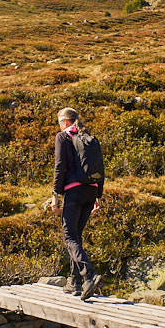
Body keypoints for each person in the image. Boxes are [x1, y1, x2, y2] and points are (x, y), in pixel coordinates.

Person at [50, 107, 105, 300]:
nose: (59, 126)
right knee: (76, 236)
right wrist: (98, 194)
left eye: (59, 123)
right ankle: (75, 282)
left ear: (65, 121)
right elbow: (101, 167)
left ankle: (89, 275)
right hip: (91, 191)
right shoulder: (89, 138)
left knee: (69, 235)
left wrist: (55, 194)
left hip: (74, 192)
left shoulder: (63, 137)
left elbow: (60, 166)